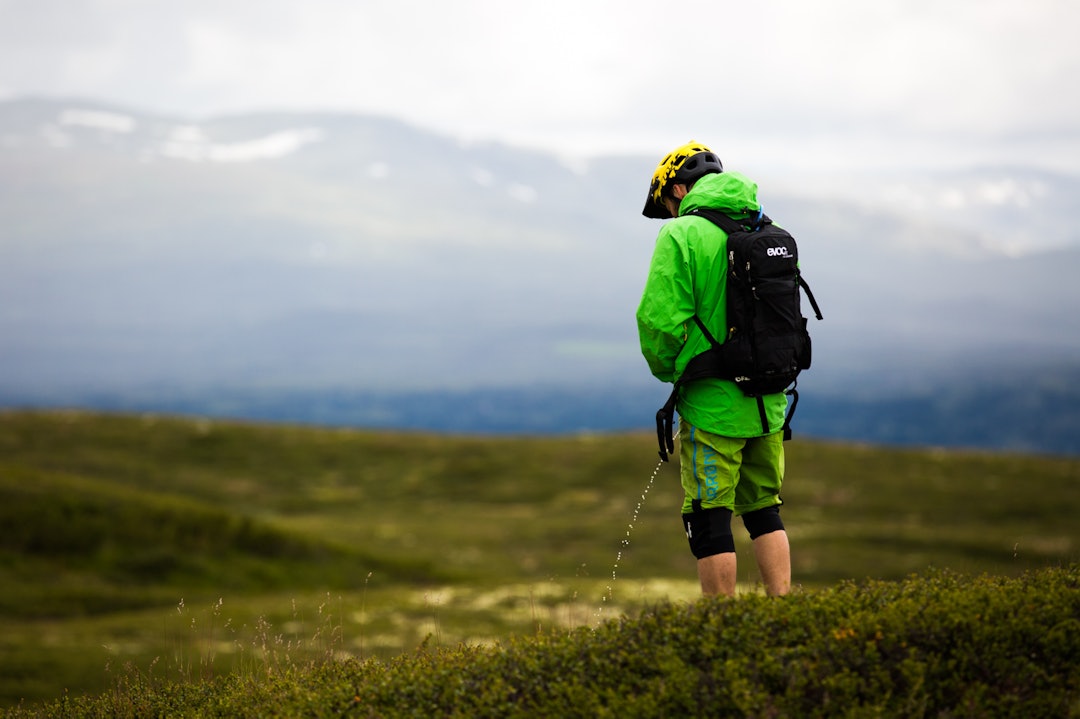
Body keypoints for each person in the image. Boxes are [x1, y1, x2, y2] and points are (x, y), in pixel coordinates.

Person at [636, 141, 791, 597]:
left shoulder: (682, 234)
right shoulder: (766, 227)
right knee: (764, 507)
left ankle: (721, 629)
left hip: (712, 402)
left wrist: (672, 370)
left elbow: (658, 321)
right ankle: (785, 611)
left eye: (667, 202)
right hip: (769, 398)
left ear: (679, 189)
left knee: (708, 514)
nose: (668, 212)